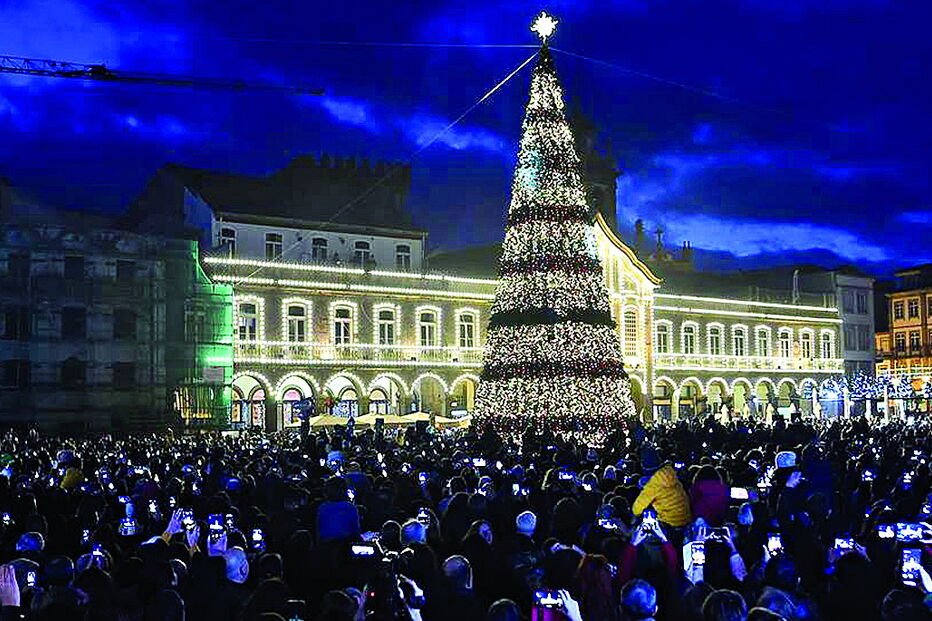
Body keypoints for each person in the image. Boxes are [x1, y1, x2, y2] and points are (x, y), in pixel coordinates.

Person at [632, 447, 691, 527]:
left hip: (670, 523)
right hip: (686, 519)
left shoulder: (653, 485)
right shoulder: (671, 474)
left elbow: (636, 509)